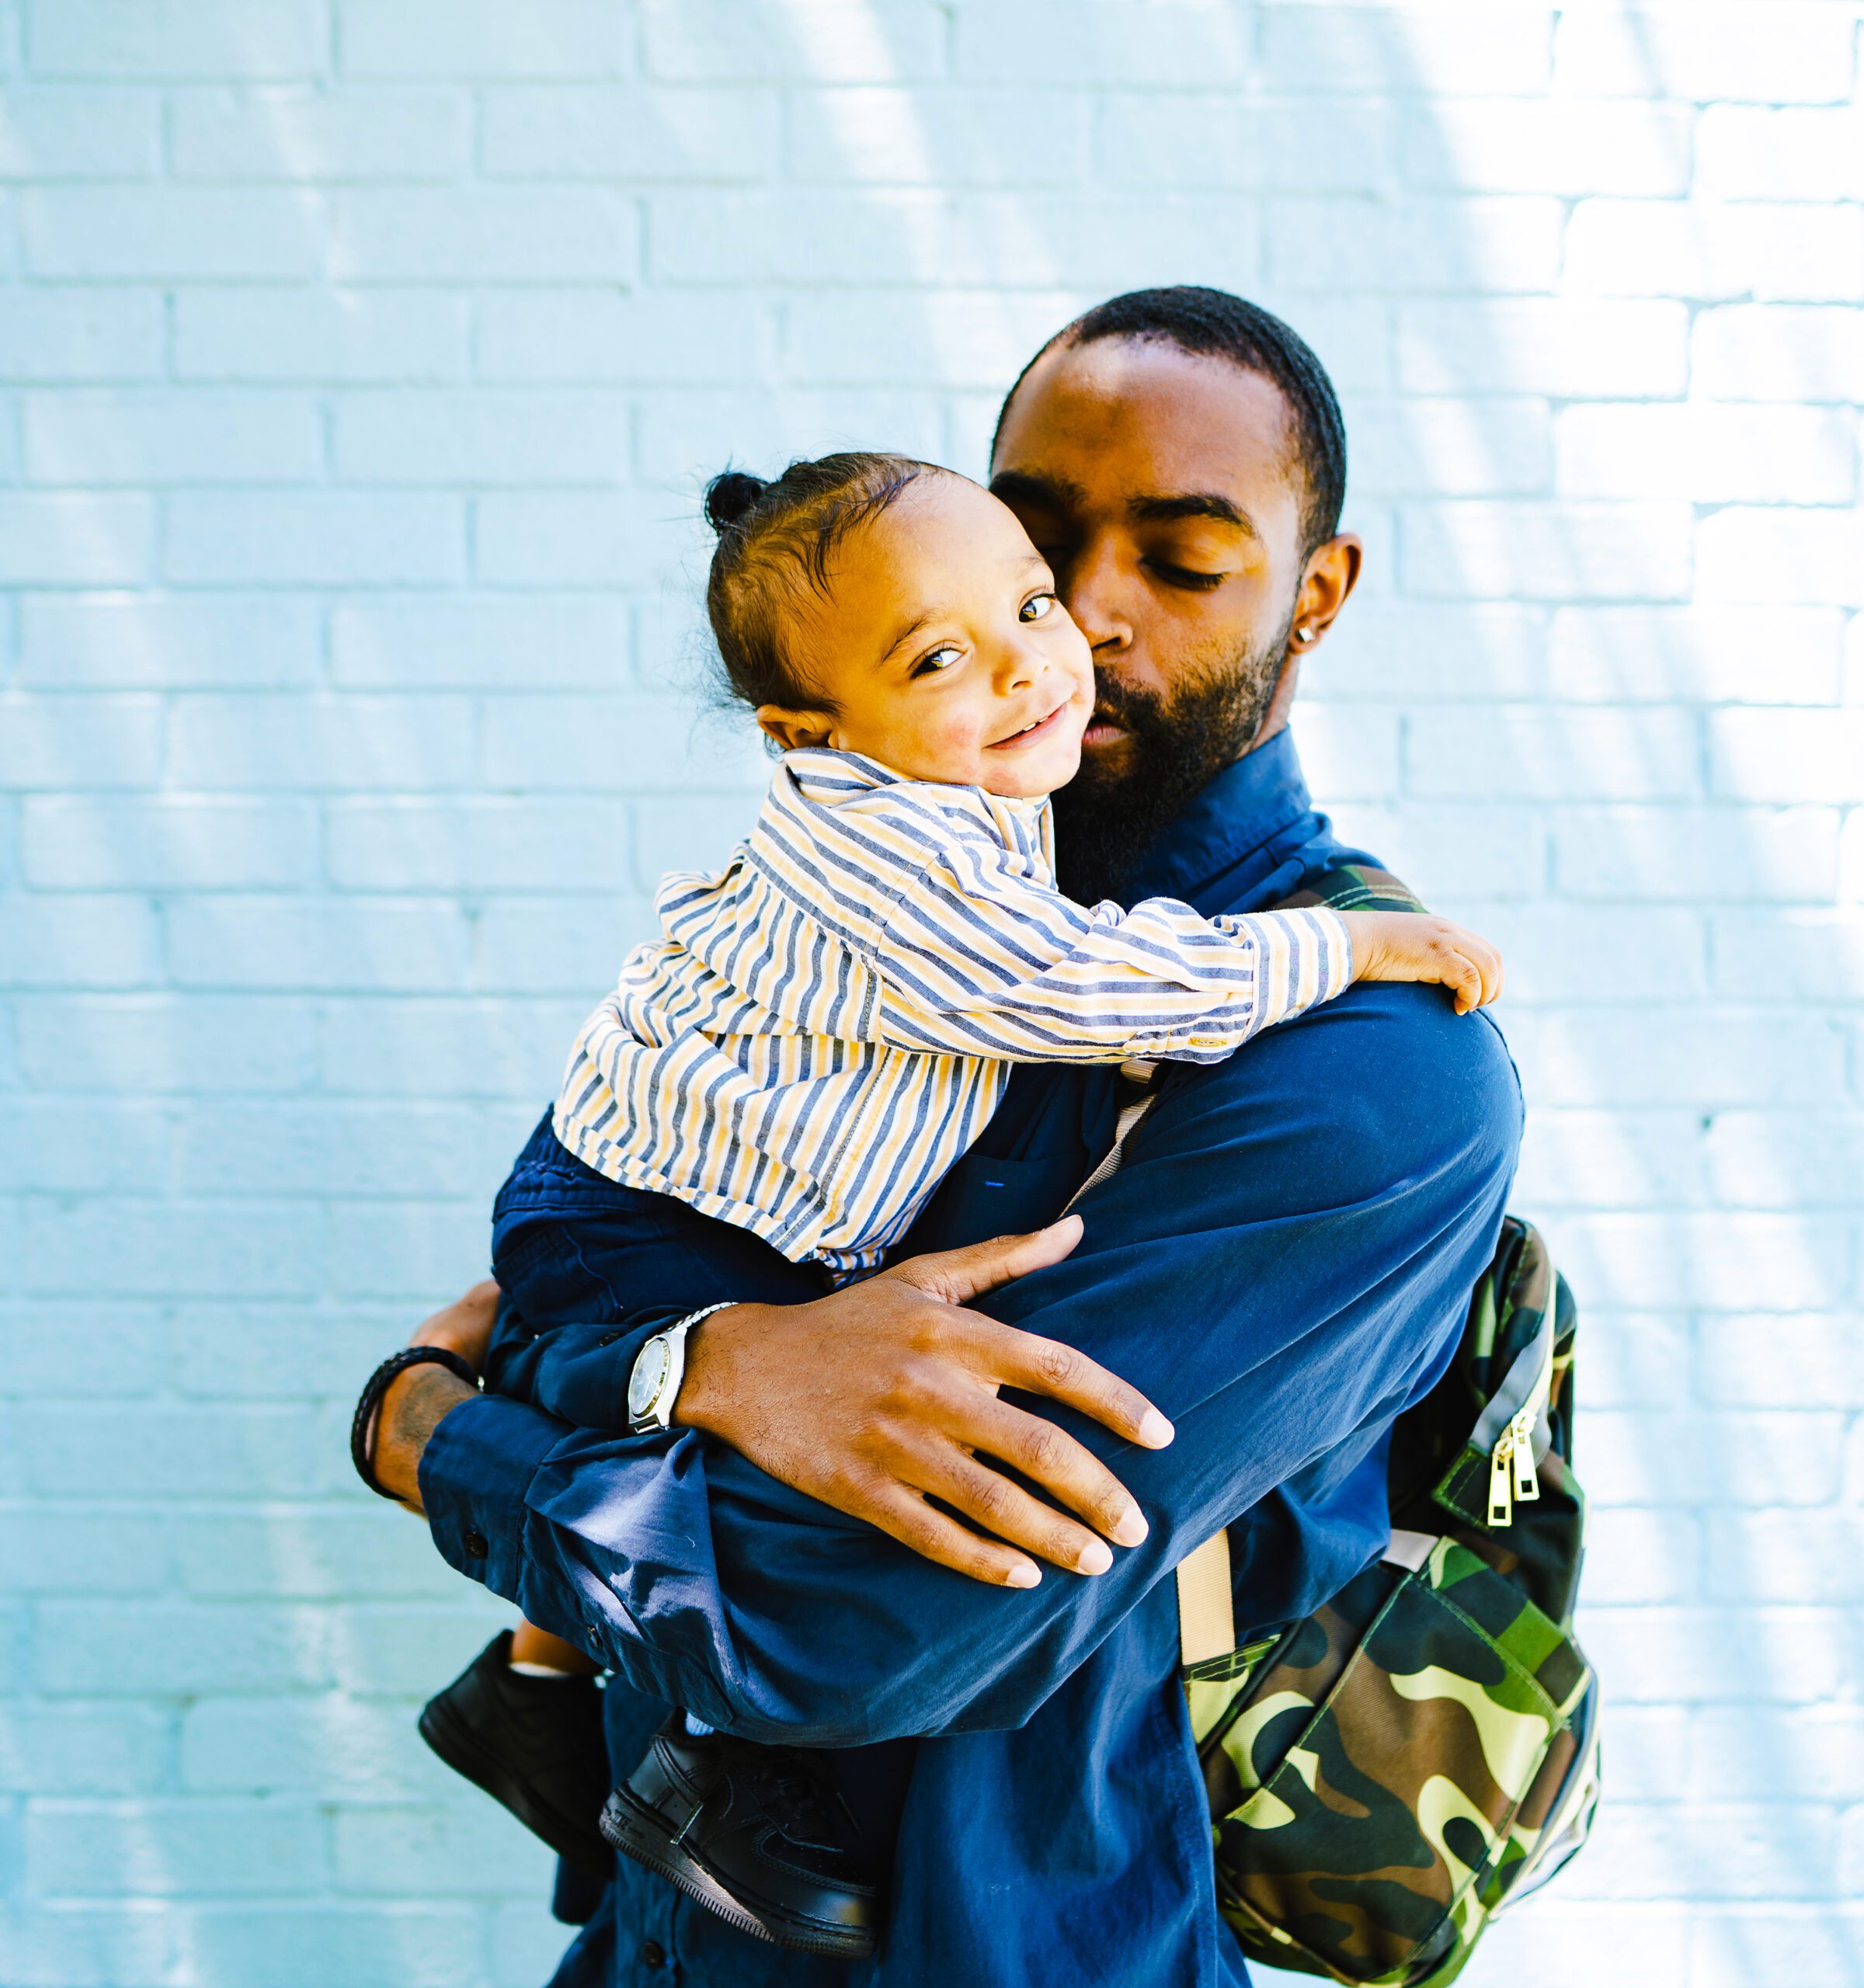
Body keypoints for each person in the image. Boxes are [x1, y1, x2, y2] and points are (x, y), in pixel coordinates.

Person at [362, 287, 1524, 1988]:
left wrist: (423, 1434)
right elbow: (571, 1269)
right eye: (1038, 560)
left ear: (1316, 592)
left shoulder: (1373, 1067)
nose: (1089, 629)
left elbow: (827, 1610)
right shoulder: (855, 909)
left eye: (1186, 564)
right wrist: (725, 1359)